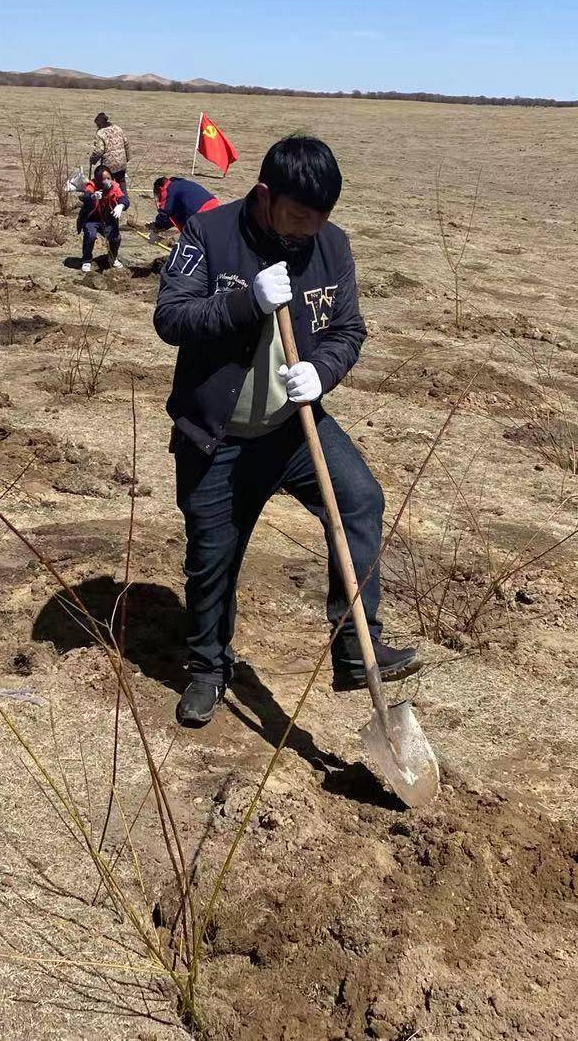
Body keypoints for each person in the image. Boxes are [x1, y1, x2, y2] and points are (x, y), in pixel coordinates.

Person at [152, 134, 416, 726]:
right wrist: (246, 302)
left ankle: (356, 646)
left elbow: (348, 329)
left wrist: (320, 374)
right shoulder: (209, 235)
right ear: (266, 195)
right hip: (215, 435)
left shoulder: (331, 245)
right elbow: (170, 317)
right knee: (212, 559)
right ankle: (207, 669)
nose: (306, 233)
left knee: (359, 500)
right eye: (297, 218)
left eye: (319, 221)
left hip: (292, 427)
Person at [74, 166, 128, 273]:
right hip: (91, 219)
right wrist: (92, 197)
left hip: (107, 220)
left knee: (115, 237)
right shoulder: (91, 185)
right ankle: (86, 260)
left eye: (108, 178)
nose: (106, 181)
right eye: (103, 179)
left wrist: (121, 206)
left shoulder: (114, 187)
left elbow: (124, 199)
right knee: (90, 235)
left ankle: (112, 258)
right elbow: (85, 196)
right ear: (97, 179)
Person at [148, 174, 217, 243]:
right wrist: (164, 226)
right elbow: (175, 216)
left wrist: (156, 227)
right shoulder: (179, 183)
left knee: (195, 240)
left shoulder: (168, 189)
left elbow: (165, 213)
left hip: (200, 211)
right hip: (214, 205)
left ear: (160, 188)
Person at [89, 111, 128, 189]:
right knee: (122, 182)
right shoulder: (118, 128)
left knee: (109, 186)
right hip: (122, 162)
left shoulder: (100, 133)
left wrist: (92, 160)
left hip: (109, 164)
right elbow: (126, 144)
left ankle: (110, 199)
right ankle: (124, 199)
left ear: (100, 124)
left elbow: (99, 151)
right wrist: (126, 158)